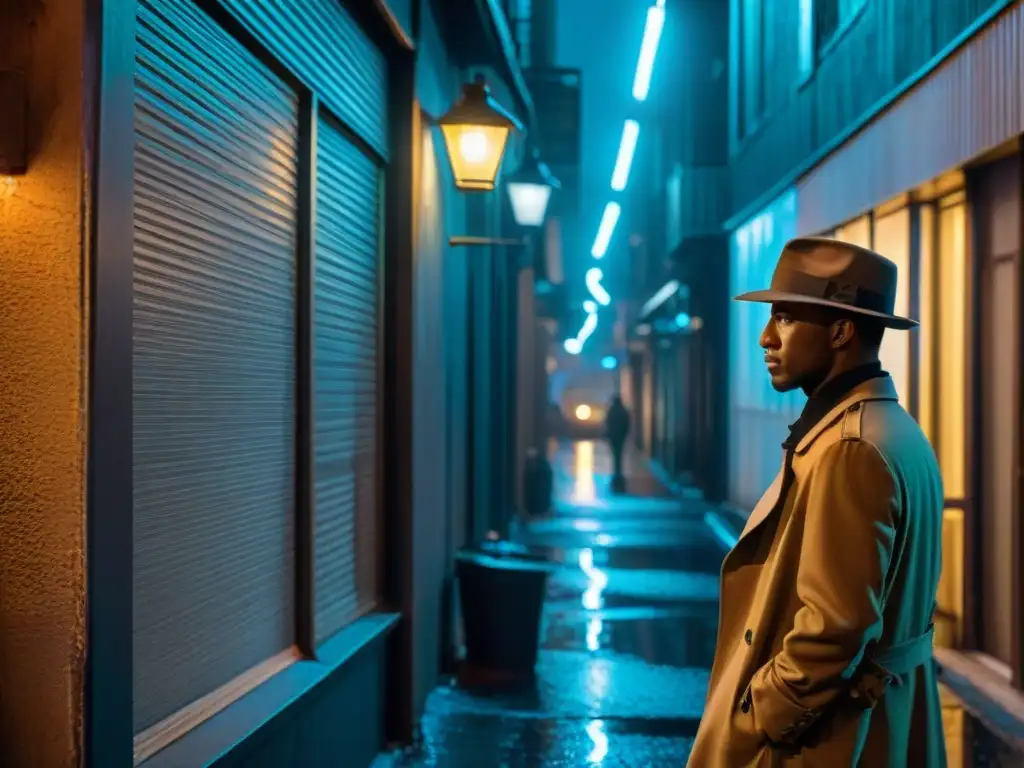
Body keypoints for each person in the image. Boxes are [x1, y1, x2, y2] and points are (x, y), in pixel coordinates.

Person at [688, 237, 946, 767]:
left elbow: (837, 624)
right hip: (884, 720)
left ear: (840, 330)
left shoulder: (850, 446)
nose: (765, 338)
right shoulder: (894, 429)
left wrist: (765, 711)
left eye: (783, 318)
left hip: (828, 739)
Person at [604, 394, 631, 493]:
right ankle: (618, 473)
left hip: (614, 437)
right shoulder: (623, 411)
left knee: (615, 455)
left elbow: (607, 424)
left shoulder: (611, 411)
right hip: (620, 437)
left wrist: (608, 435)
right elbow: (627, 424)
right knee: (619, 455)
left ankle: (616, 473)